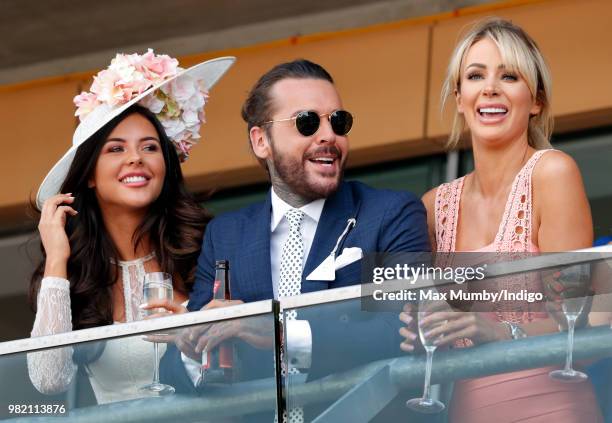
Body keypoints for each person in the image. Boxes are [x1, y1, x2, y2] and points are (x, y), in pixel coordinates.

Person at [161, 59, 430, 413]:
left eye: (338, 121)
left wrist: (277, 332)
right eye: (306, 122)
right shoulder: (224, 236)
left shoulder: (391, 213)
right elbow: (184, 371)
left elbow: (400, 330)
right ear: (261, 141)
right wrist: (192, 347)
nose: (328, 136)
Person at [399, 18, 603, 422]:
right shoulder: (431, 206)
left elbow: (589, 327)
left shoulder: (552, 173)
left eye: (509, 76)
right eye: (475, 76)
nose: (490, 87)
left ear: (537, 100)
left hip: (552, 410)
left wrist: (493, 330)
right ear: (460, 97)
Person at [27, 50, 235, 404]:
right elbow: (49, 380)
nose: (135, 158)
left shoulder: (209, 249)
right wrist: (57, 261)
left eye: (149, 147)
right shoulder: (77, 275)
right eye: (116, 149)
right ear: (90, 175)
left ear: (165, 166)